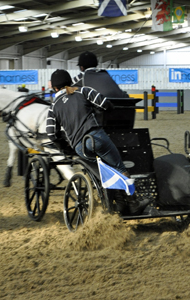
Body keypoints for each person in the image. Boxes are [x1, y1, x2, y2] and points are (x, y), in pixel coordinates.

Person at [46, 69, 149, 215]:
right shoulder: (83, 91)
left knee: (107, 171)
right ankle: (134, 203)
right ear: (70, 81)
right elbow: (105, 104)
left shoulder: (53, 107)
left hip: (80, 147)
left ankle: (119, 204)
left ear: (55, 88)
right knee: (119, 167)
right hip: (96, 137)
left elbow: (51, 133)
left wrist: (65, 149)